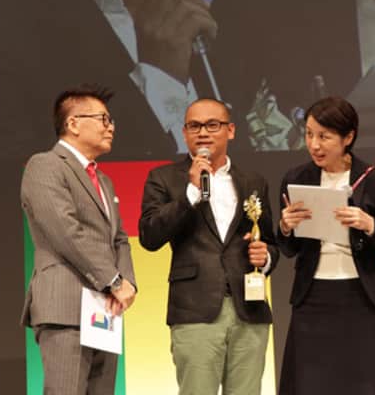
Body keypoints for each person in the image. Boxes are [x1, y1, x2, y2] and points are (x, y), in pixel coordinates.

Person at [138, 98, 279, 395]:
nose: (202, 132)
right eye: (194, 126)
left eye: (212, 125)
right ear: (184, 133)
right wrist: (191, 192)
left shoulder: (253, 181)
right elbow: (150, 236)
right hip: (195, 309)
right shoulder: (164, 178)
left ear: (231, 130)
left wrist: (265, 257)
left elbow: (270, 242)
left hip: (249, 309)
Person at [20, 84, 137, 393]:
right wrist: (113, 280)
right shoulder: (45, 165)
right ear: (73, 123)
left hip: (105, 310)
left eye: (111, 120)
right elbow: (65, 232)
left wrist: (127, 283)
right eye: (103, 119)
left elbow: (119, 238)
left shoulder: (104, 181)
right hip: (65, 306)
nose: (110, 127)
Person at [277, 96, 375, 394]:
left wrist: (369, 224)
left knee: (365, 381)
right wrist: (285, 227)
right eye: (309, 134)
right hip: (313, 296)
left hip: (361, 296)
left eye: (324, 136)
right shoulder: (296, 178)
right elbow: (288, 249)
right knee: (311, 383)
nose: (314, 145)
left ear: (348, 137)